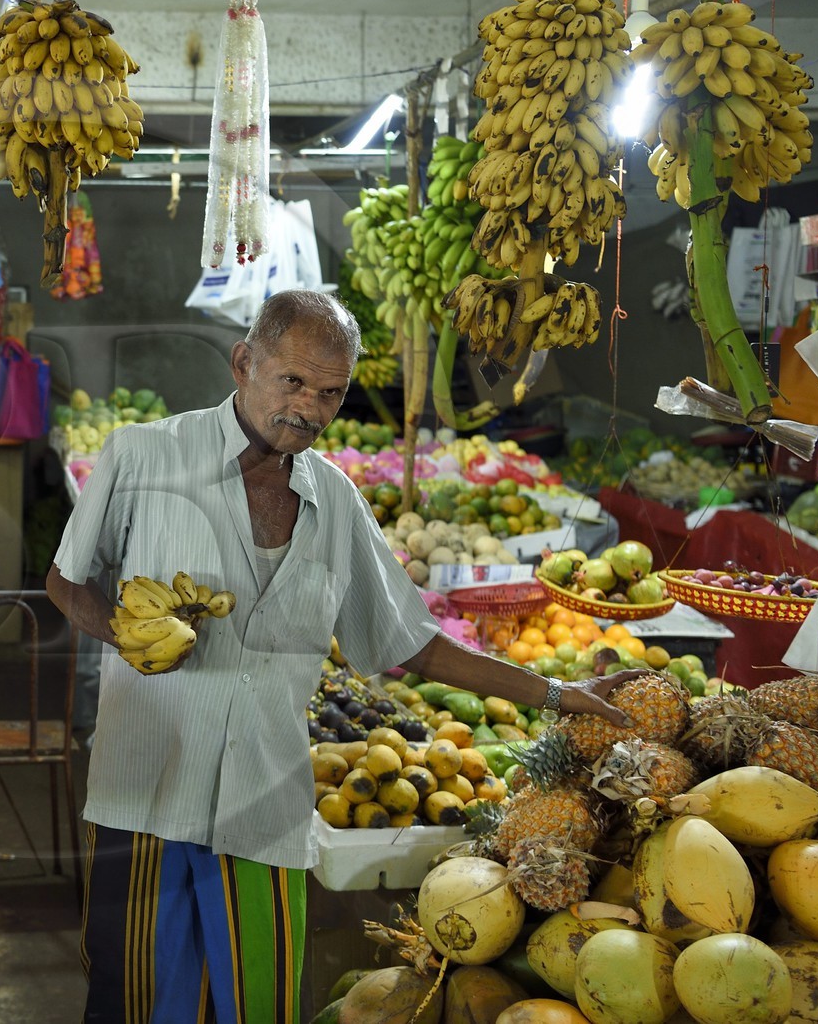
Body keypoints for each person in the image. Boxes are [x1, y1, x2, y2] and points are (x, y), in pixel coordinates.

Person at [46, 290, 639, 1024]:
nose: (308, 408)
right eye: (292, 382)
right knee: (129, 1000)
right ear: (243, 363)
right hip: (145, 790)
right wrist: (125, 633)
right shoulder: (143, 456)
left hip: (262, 808)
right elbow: (66, 580)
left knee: (256, 1004)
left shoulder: (338, 502)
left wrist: (555, 691)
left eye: (329, 393)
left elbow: (410, 642)